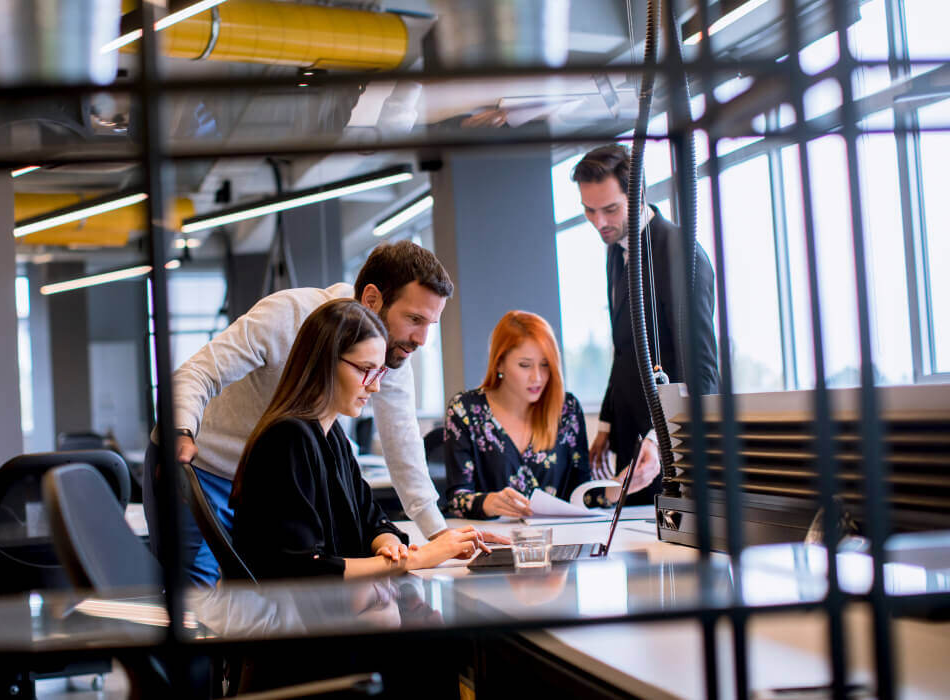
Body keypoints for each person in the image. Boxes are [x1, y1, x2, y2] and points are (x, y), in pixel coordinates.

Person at [159, 241, 502, 585]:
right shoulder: (287, 315)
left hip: (285, 482)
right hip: (205, 467)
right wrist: (181, 430)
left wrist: (439, 536)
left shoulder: (384, 361)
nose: (422, 339)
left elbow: (404, 446)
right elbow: (199, 373)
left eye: (430, 323)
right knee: (200, 600)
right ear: (372, 299)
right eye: (414, 319)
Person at [232, 299, 482, 579]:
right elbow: (304, 567)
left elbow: (371, 519)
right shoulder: (287, 438)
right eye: (365, 370)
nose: (374, 386)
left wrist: (391, 547)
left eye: (379, 372)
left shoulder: (331, 434)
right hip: (290, 616)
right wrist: (415, 559)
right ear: (325, 362)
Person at [571, 144, 720, 504]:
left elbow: (703, 376)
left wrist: (658, 439)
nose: (600, 222)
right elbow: (626, 348)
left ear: (637, 195)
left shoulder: (679, 254)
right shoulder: (616, 249)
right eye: (589, 211)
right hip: (630, 439)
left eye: (610, 210)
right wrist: (606, 422)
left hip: (669, 450)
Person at [443, 311, 601, 519]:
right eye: (525, 365)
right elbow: (456, 500)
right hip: (492, 543)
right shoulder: (465, 411)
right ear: (499, 363)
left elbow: (583, 495)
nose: (537, 377)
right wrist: (488, 503)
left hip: (561, 540)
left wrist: (621, 485)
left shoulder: (567, 409)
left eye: (545, 365)